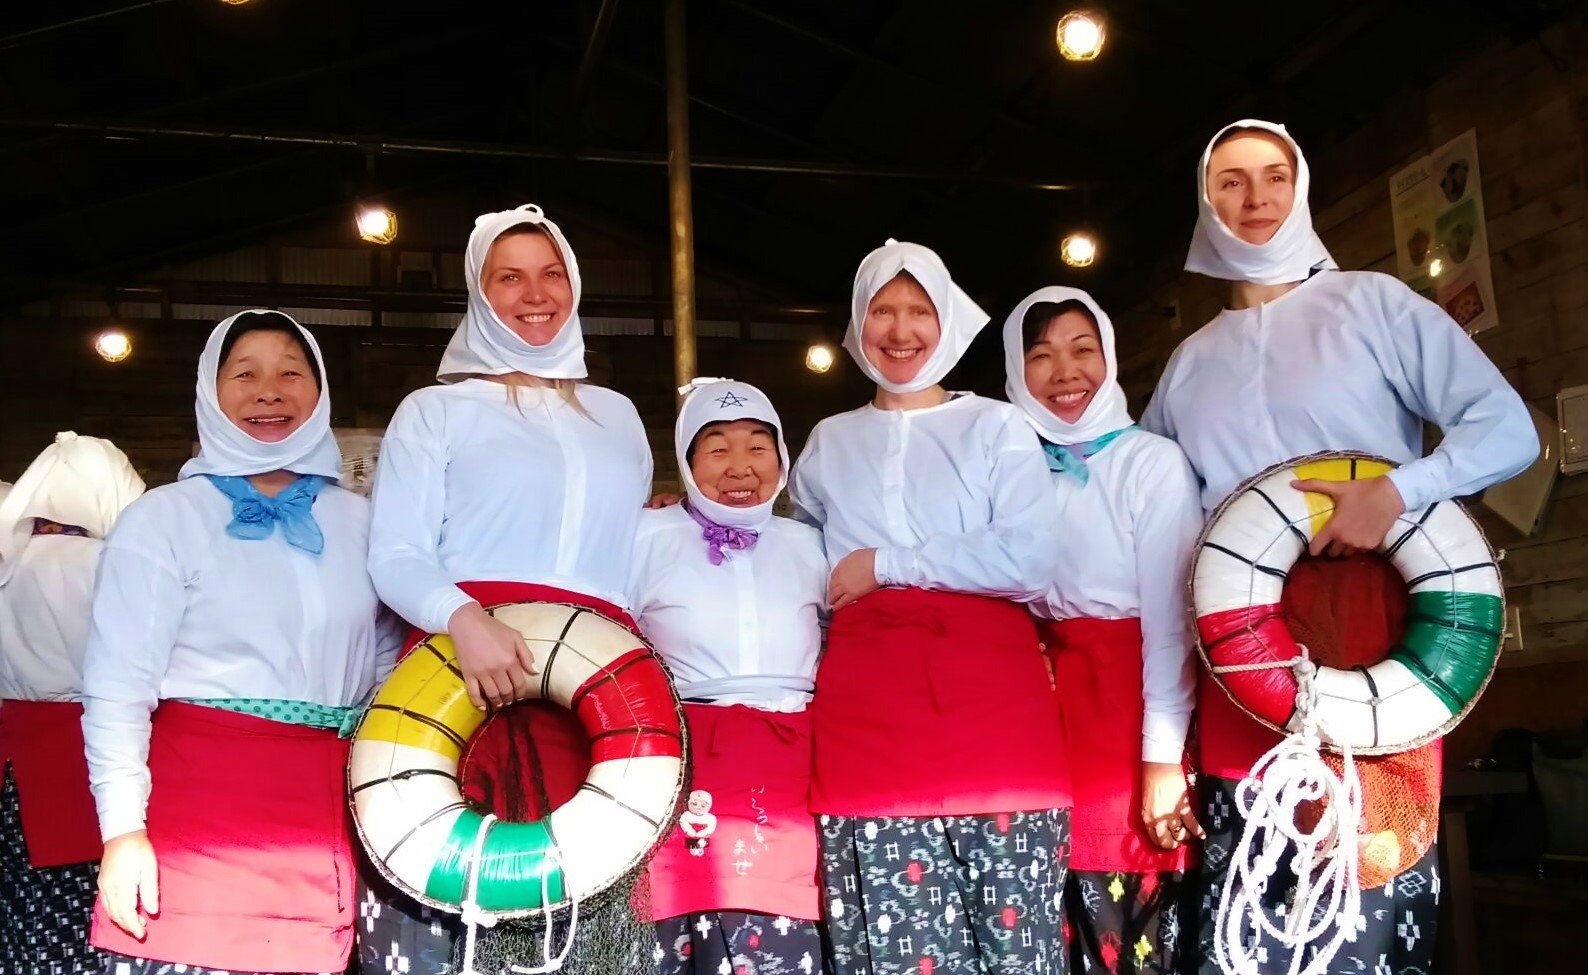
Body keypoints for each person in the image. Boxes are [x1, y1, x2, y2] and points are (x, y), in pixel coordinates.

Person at [1141, 119, 1538, 975]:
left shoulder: (1374, 303)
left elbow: (1508, 432)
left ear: (1302, 186)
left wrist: (1401, 488)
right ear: (1205, 200)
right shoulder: (1186, 364)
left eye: (1275, 176)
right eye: (1233, 181)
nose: (1256, 199)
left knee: (1366, 911)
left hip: (1378, 645)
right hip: (1239, 659)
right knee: (1242, 921)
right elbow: (1147, 513)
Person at [364, 203, 653, 975]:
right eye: (509, 277)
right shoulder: (435, 411)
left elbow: (625, 558)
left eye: (551, 272)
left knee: (594, 925)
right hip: (467, 670)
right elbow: (393, 552)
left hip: (593, 689)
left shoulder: (619, 417)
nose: (536, 293)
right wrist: (463, 617)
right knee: (461, 913)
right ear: (478, 293)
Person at [81, 310, 399, 975]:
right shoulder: (162, 520)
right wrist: (122, 832)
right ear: (210, 388)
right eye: (244, 373)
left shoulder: (365, 522)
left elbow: (387, 669)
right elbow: (117, 688)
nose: (269, 391)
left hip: (324, 825)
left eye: (291, 372)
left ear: (319, 393)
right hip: (195, 825)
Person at [791, 240, 1069, 975]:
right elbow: (797, 572)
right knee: (889, 955)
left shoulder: (996, 426)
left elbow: (1033, 557)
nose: (901, 329)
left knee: (1017, 953)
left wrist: (887, 564)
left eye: (919, 310)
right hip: (868, 726)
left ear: (947, 319)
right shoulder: (826, 444)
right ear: (857, 323)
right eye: (883, 309)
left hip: (995, 723)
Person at [1003, 287, 1202, 975]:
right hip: (1037, 722)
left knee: (1130, 929)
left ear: (1110, 358)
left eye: (1082, 350)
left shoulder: (1152, 464)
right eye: (1041, 355)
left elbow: (1172, 623)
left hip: (1126, 715)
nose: (1065, 372)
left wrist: (1161, 759)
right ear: (1013, 370)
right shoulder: (1002, 467)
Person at [629, 377, 828, 975]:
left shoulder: (811, 543)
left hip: (794, 758)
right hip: (684, 753)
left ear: (782, 459)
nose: (740, 467)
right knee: (677, 914)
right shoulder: (645, 535)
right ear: (687, 463)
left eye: (757, 448)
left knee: (782, 919)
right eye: (716, 449)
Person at [0, 432, 144, 975]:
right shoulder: (110, 564)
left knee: (18, 913)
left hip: (13, 767)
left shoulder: (7, 565)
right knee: (87, 918)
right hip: (85, 761)